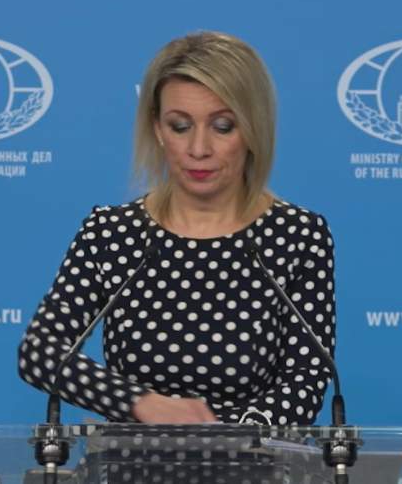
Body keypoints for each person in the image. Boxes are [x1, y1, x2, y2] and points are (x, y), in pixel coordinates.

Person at [18, 31, 336, 426]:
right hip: (131, 458)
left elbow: (305, 381)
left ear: (253, 128)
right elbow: (40, 351)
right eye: (180, 126)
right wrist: (141, 404)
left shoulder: (298, 236)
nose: (199, 149)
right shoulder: (111, 233)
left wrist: (219, 437)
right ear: (157, 128)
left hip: (252, 458)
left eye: (223, 126)